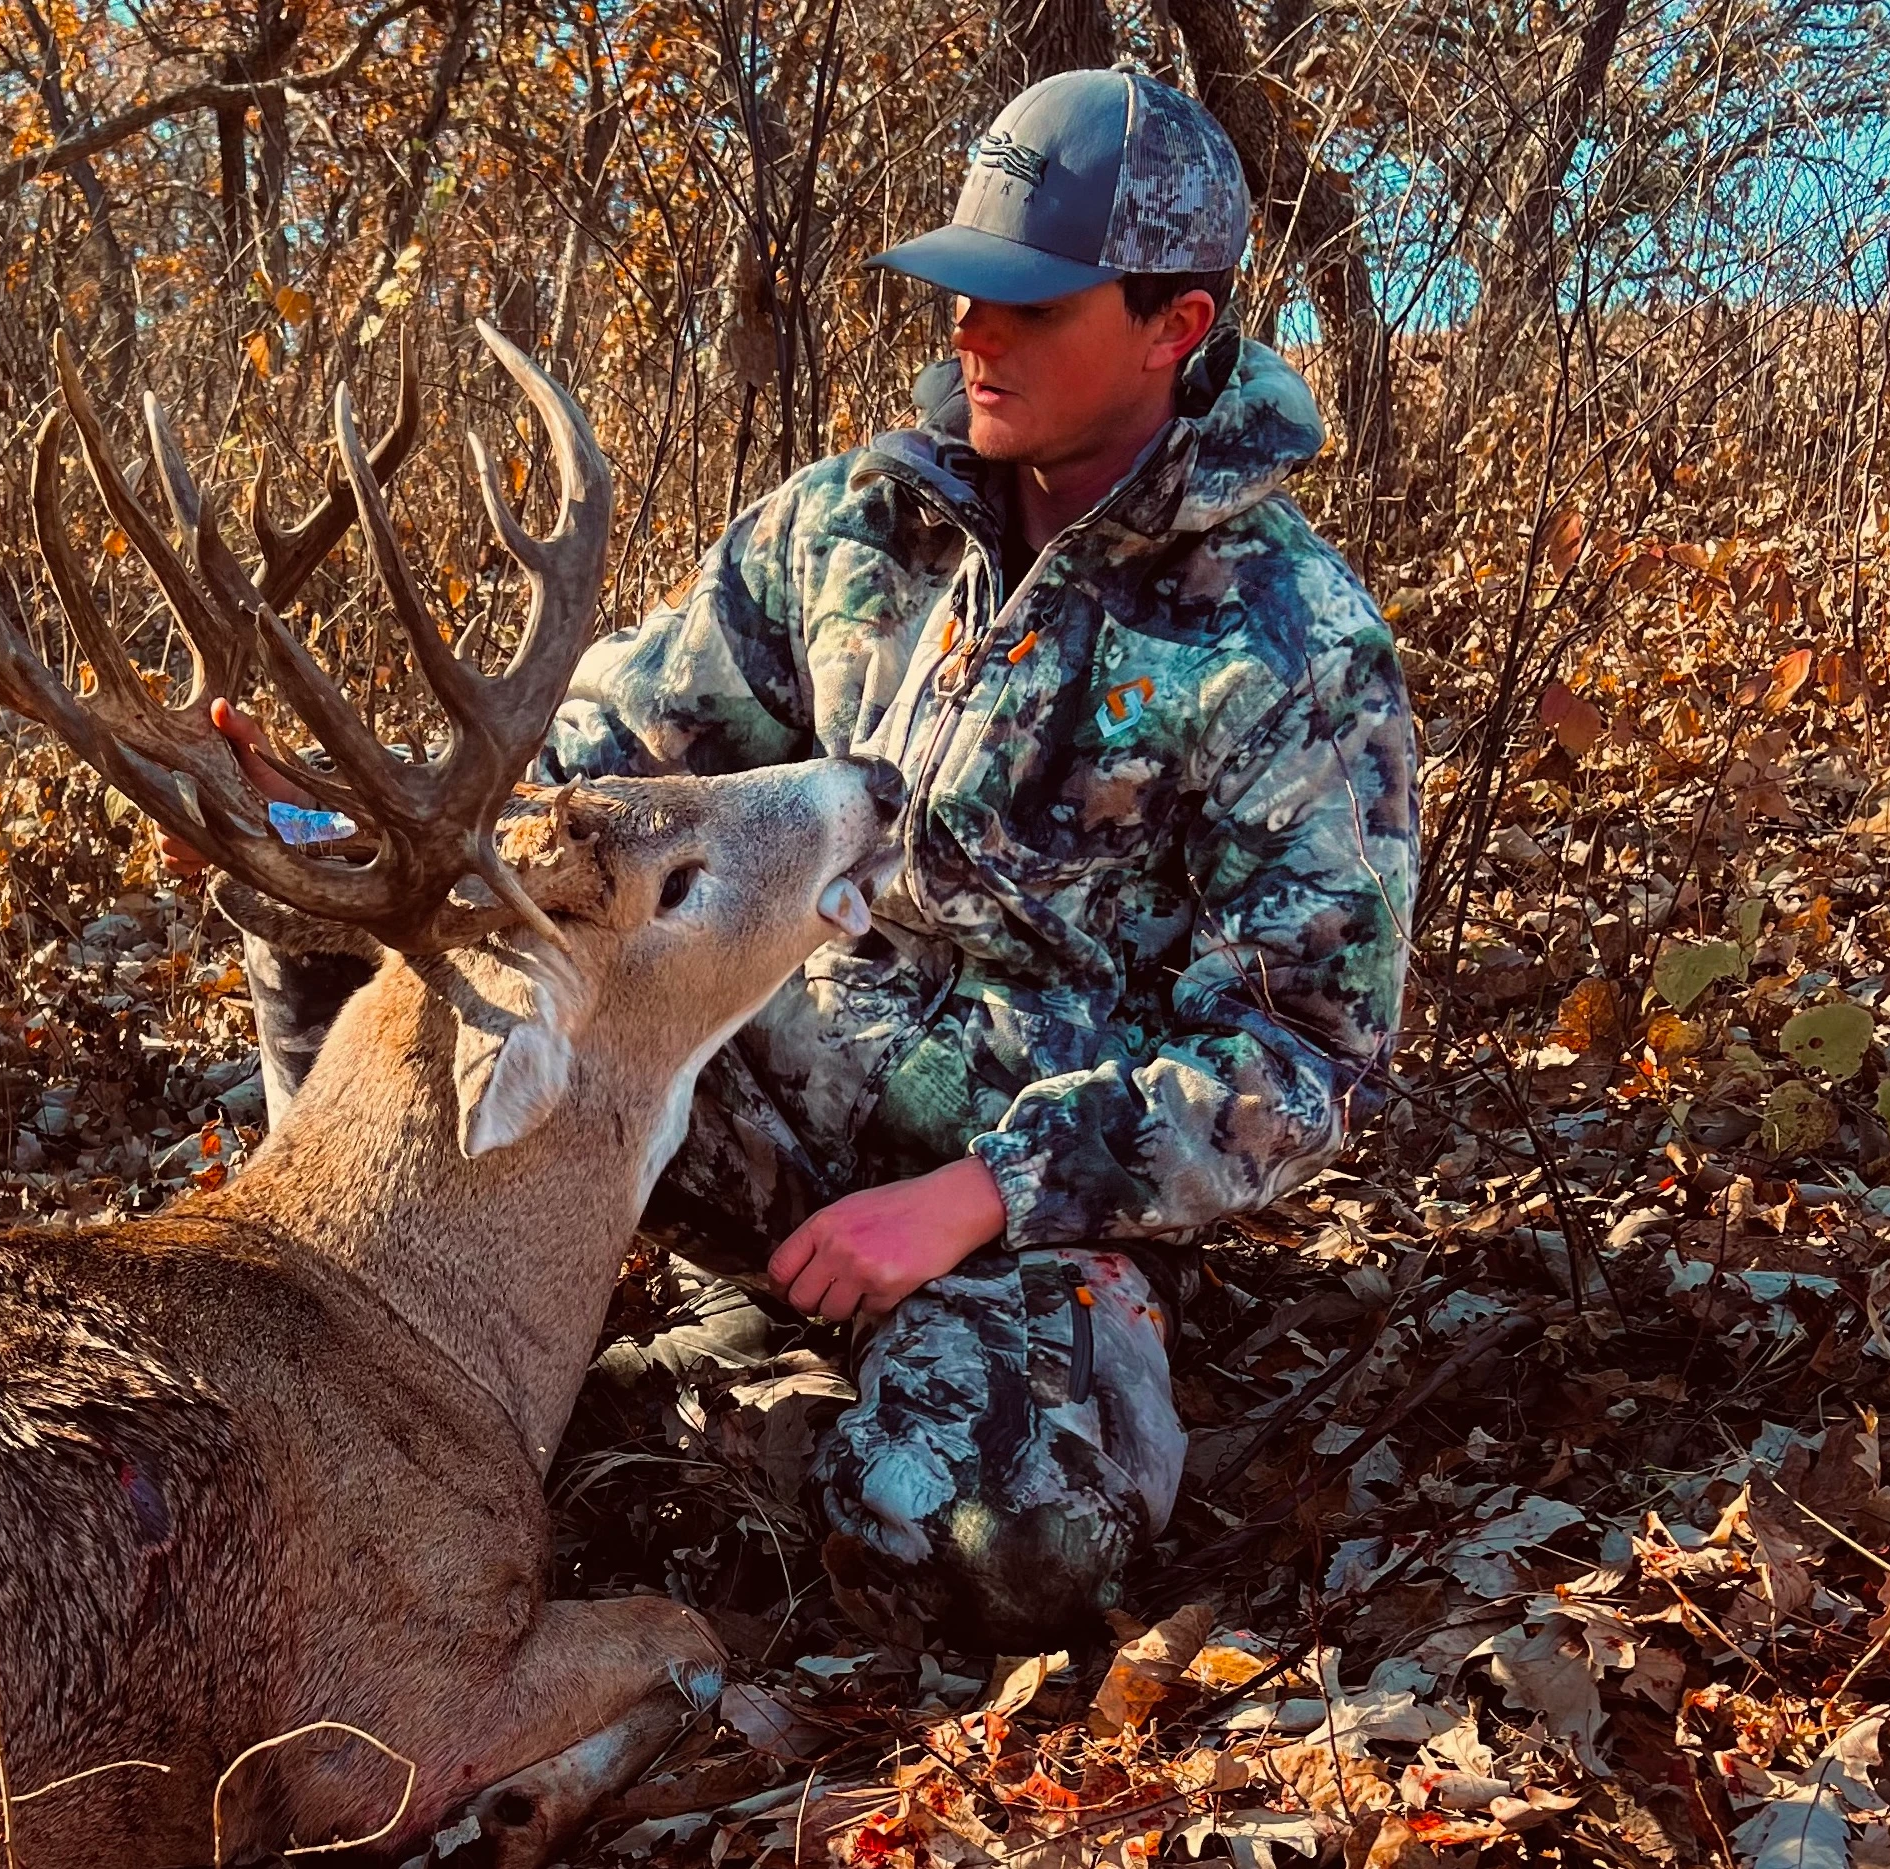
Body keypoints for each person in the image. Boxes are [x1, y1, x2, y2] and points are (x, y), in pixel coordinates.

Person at [219, 68, 1418, 1649]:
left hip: (1028, 1209)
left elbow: (1306, 1054)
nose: (969, 338)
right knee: (338, 926)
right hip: (749, 1068)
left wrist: (982, 1196)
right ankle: (345, 1377)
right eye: (959, 298)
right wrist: (369, 827)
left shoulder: (1293, 647)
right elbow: (605, 776)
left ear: (1173, 328)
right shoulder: (849, 529)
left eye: (1026, 307)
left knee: (996, 1546)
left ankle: (753, 1390)